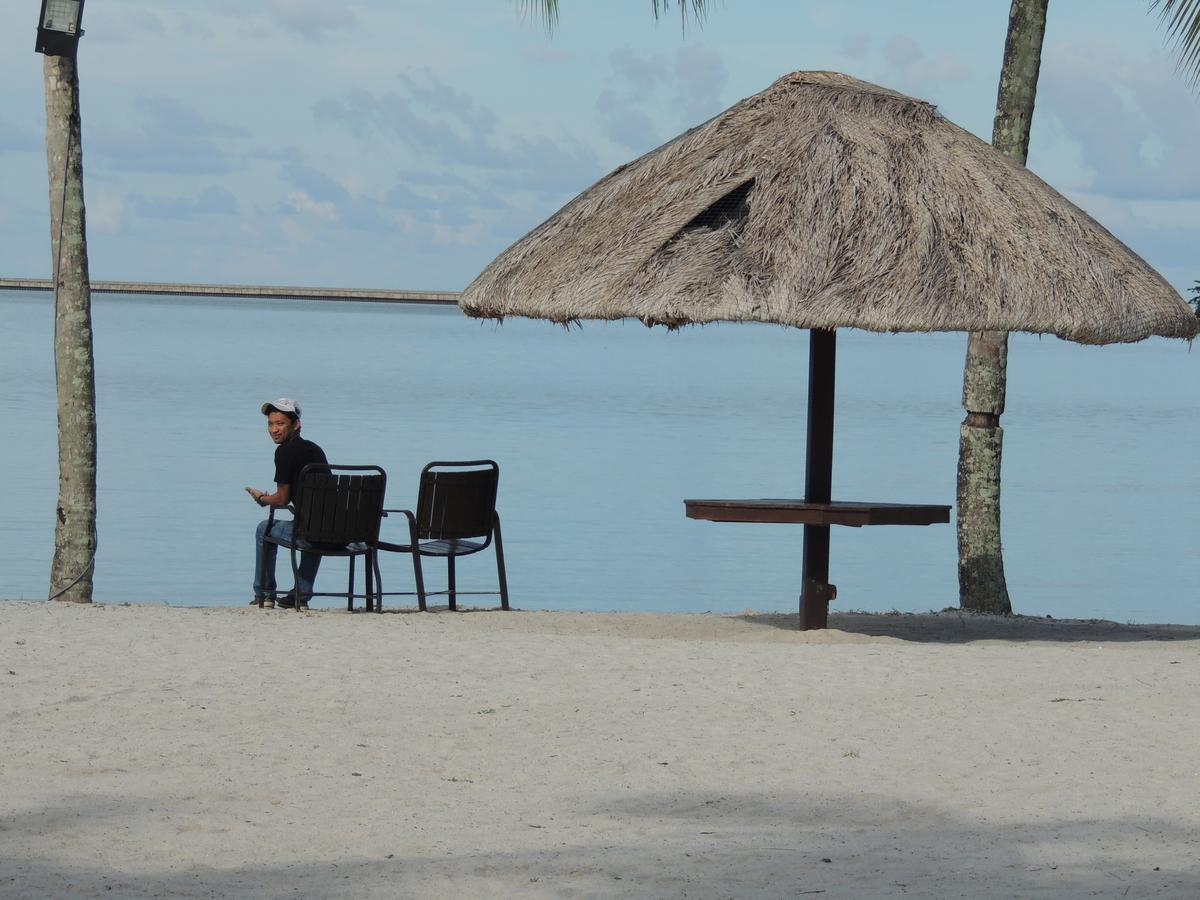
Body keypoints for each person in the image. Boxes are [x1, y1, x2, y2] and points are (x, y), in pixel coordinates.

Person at [245, 398, 328, 609]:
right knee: (315, 527)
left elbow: (282, 498)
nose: (274, 429)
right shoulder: (316, 450)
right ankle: (300, 594)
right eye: (270, 424)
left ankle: (264, 593)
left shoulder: (284, 452)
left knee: (264, 529)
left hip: (310, 533)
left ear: (296, 424)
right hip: (334, 531)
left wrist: (262, 499)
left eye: (280, 423)